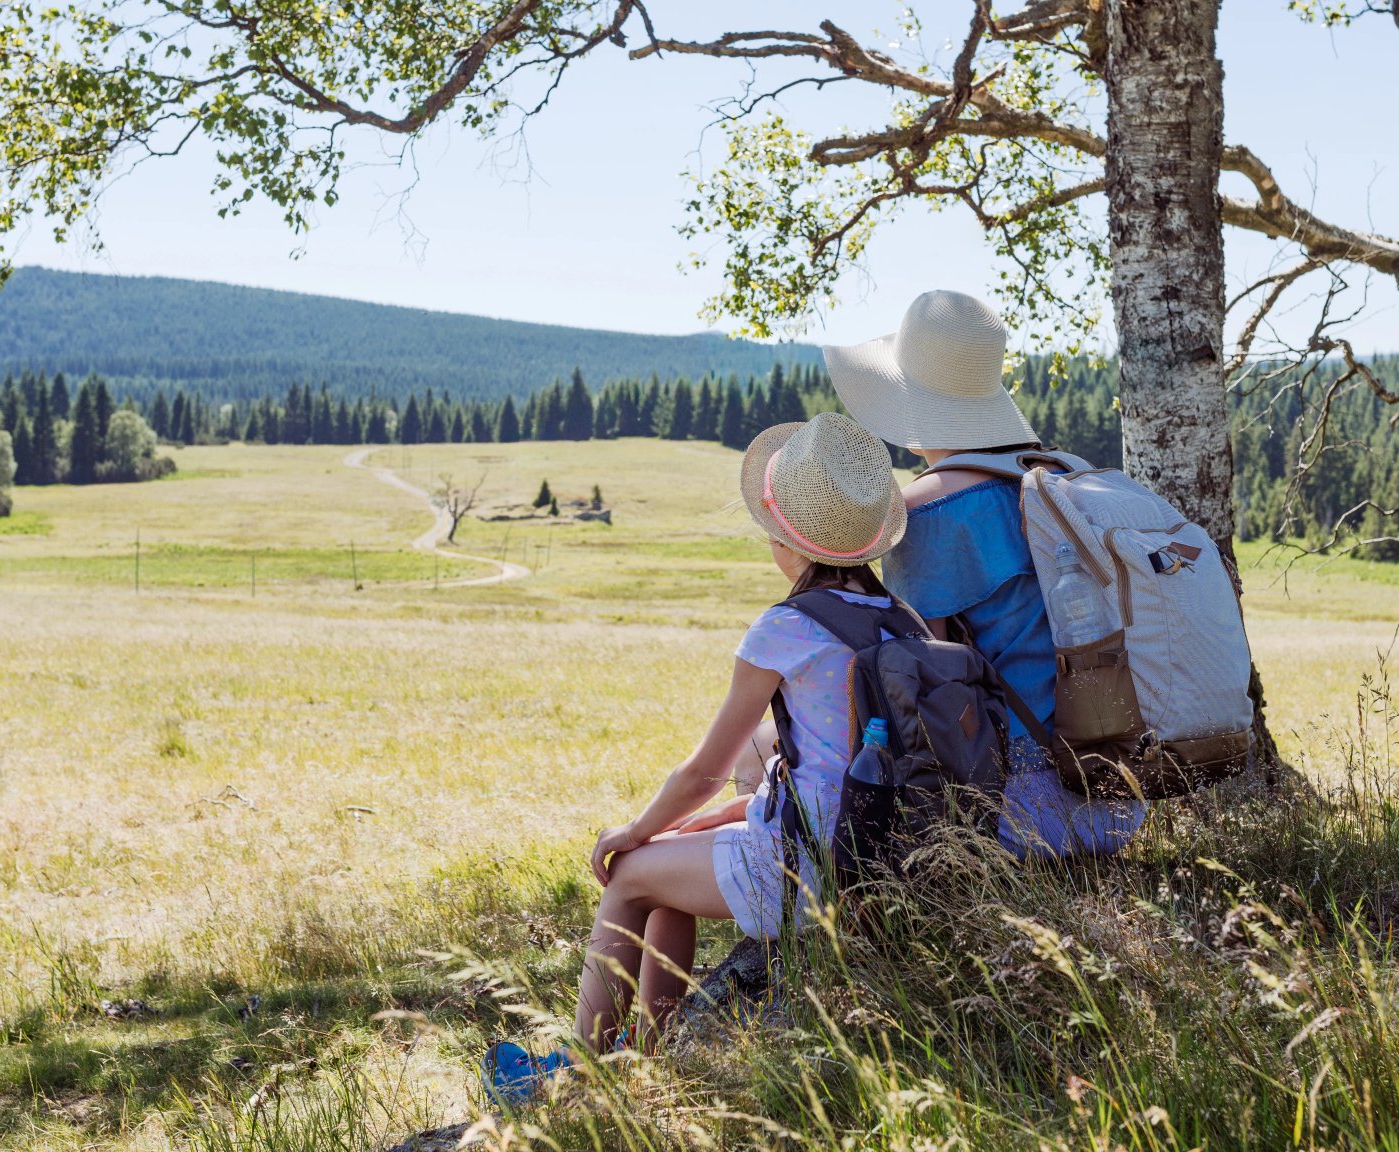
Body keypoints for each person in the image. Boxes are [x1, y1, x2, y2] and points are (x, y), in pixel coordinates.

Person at [483, 412, 909, 1105]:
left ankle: (575, 1075)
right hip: (874, 854)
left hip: (808, 866)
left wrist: (633, 831)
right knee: (664, 875)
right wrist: (693, 826)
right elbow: (826, 770)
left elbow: (706, 769)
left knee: (630, 877)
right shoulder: (898, 618)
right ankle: (642, 1061)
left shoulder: (789, 626)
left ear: (784, 536)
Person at [824, 289, 1146, 860]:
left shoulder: (928, 508)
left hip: (1019, 807)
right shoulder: (1065, 479)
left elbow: (921, 681)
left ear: (908, 401)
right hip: (1120, 791)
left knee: (783, 759)